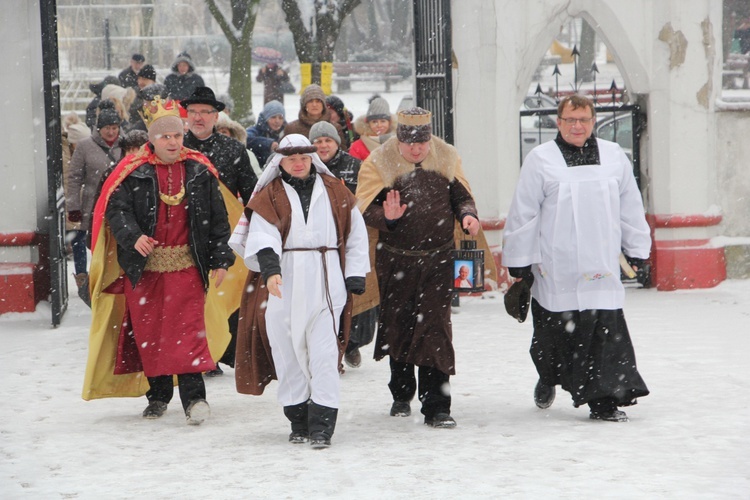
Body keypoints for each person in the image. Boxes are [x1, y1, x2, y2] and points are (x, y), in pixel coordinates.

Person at [81, 96, 237, 425]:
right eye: (165, 136)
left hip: (187, 269)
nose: (172, 142)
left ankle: (194, 399)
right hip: (146, 270)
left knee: (189, 333)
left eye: (177, 136)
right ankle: (159, 394)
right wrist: (132, 236)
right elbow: (116, 211)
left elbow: (219, 222)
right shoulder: (132, 172)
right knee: (149, 334)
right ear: (152, 138)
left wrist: (221, 259)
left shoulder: (199, 171)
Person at [502, 94, 651, 422]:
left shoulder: (613, 157)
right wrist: (518, 257)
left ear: (593, 121)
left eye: (584, 120)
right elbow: (524, 211)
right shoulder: (541, 159)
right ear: (559, 122)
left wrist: (638, 249)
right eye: (570, 120)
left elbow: (630, 206)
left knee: (604, 333)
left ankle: (604, 400)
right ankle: (549, 375)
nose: (577, 126)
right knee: (554, 334)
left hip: (601, 261)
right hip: (557, 264)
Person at [229, 134, 369, 448]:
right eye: (291, 158)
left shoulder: (336, 191)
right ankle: (298, 421)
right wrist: (271, 271)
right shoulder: (270, 194)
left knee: (323, 354)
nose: (298, 163)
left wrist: (355, 274)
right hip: (284, 284)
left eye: (304, 157)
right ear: (280, 161)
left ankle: (322, 425)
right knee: (288, 352)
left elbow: (356, 233)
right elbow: (263, 236)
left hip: (326, 280)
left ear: (312, 159)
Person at [356, 107, 481, 429]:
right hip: (395, 260)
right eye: (409, 142)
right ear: (398, 138)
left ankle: (438, 405)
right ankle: (401, 391)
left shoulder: (446, 156)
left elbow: (461, 196)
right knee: (399, 325)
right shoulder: (379, 162)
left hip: (438, 261)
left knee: (435, 330)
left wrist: (467, 215)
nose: (416, 149)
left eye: (422, 142)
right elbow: (365, 209)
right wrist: (388, 218)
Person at [181, 86, 258, 376]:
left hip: (223, 236)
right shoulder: (176, 148)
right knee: (191, 299)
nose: (199, 118)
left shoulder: (234, 150)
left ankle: (222, 351)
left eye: (205, 112)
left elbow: (251, 195)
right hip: (182, 235)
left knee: (225, 295)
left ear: (217, 117)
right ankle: (198, 354)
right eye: (194, 112)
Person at [309, 121, 377, 369]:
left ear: (336, 143)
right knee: (325, 298)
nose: (322, 145)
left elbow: (367, 198)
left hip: (350, 238)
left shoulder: (354, 166)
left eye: (327, 140)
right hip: (319, 242)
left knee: (355, 295)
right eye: (317, 141)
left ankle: (352, 343)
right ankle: (331, 351)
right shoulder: (306, 167)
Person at [66, 101, 123, 305]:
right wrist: (73, 207)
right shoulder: (85, 146)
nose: (111, 132)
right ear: (99, 128)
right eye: (107, 128)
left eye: (115, 128)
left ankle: (113, 282)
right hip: (92, 205)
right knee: (90, 243)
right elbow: (74, 178)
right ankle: (86, 282)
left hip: (120, 205)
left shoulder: (124, 145)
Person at [61, 113, 91, 290]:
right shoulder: (63, 154)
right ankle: (79, 278)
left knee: (79, 242)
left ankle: (82, 278)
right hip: (67, 204)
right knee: (72, 242)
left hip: (79, 204)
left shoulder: (83, 153)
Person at [348, 96, 395, 161]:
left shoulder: (399, 142)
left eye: (383, 121)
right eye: (374, 122)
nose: (379, 125)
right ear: (368, 123)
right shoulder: (357, 146)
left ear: (390, 122)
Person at [215, 112, 262, 177]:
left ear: (232, 134)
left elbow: (258, 180)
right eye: (216, 132)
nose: (220, 135)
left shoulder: (246, 154)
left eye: (224, 132)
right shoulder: (201, 156)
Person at [246, 100, 286, 167]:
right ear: (265, 118)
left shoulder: (287, 131)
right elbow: (246, 138)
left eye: (280, 118)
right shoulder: (256, 131)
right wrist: (269, 144)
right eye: (273, 117)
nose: (277, 121)